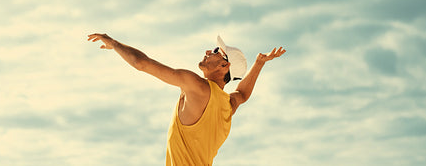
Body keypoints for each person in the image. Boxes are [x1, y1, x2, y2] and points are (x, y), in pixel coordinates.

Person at [87, 33, 286, 165]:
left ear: (224, 66)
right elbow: (243, 94)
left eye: (217, 52)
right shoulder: (227, 104)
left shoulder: (197, 86)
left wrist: (114, 43)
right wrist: (259, 63)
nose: (209, 51)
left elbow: (142, 63)